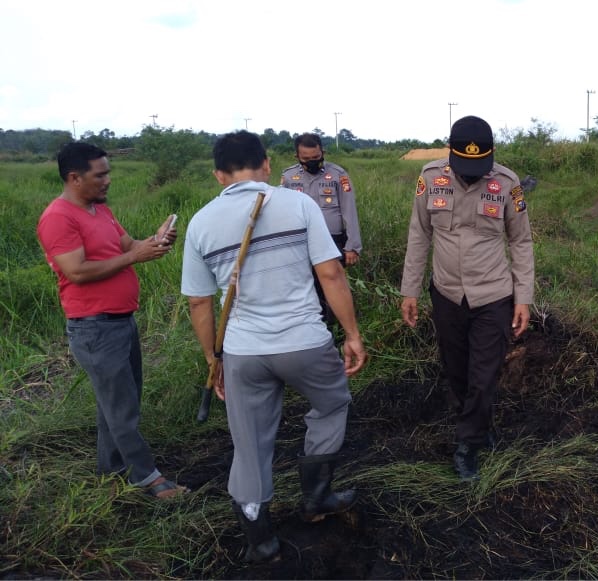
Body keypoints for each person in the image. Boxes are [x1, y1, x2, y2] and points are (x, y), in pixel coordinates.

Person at [181, 130, 367, 563]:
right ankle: (316, 497)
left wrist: (213, 359)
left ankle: (261, 541)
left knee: (249, 443)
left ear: (218, 175)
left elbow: (199, 302)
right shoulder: (298, 204)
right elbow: (331, 274)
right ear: (266, 165)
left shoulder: (201, 223)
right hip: (305, 342)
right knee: (332, 404)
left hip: (243, 352)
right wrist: (353, 334)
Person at [36, 142, 186, 499]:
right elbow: (76, 271)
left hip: (119, 322)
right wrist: (134, 256)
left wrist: (155, 241)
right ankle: (147, 478)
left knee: (118, 404)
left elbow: (128, 246)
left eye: (108, 173)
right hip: (95, 327)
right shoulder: (59, 217)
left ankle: (113, 471)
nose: (108, 180)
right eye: (100, 174)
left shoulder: (99, 209)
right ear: (75, 178)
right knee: (121, 409)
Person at [400, 115, 535, 481]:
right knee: (456, 369)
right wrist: (410, 290)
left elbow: (521, 242)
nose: (472, 175)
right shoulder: (431, 178)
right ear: (450, 152)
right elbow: (419, 234)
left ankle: (467, 445)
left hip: (493, 295)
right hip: (446, 293)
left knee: (484, 374)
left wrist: (523, 298)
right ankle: (478, 426)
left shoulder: (507, 183)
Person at [280, 133, 362, 322]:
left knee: (333, 286)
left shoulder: (338, 175)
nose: (312, 162)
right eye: (306, 158)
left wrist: (352, 246)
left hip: (332, 241)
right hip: (300, 242)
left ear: (323, 152)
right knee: (306, 288)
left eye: (316, 157)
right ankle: (310, 325)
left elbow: (349, 210)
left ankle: (337, 328)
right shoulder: (289, 177)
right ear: (297, 157)